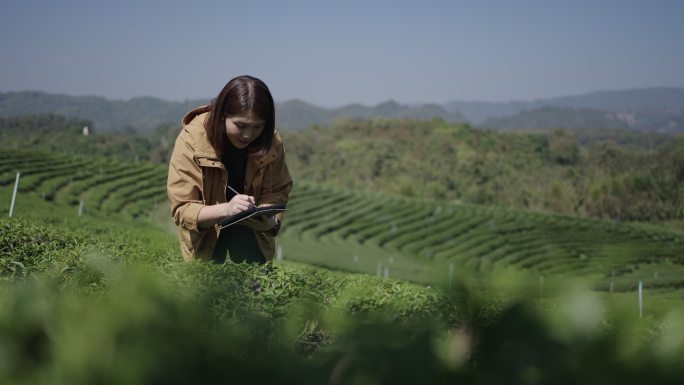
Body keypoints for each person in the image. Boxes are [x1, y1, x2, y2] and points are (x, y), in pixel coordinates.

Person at [167, 75, 293, 264]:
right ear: (222, 114)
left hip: (253, 248)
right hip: (206, 249)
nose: (248, 135)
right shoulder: (192, 139)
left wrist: (269, 221)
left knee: (256, 291)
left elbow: (276, 192)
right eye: (240, 125)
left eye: (257, 126)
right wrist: (227, 209)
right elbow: (182, 209)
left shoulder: (271, 142)